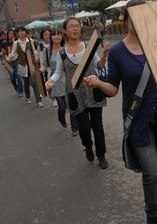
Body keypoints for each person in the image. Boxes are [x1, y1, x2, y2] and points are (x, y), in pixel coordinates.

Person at [84, 0, 157, 224]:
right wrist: (98, 83)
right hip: (137, 119)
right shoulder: (118, 52)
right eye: (134, 16)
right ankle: (152, 215)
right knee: (152, 172)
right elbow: (113, 88)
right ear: (126, 20)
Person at [45, 17, 109, 169]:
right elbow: (59, 72)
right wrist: (51, 81)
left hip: (92, 91)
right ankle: (87, 146)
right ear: (65, 31)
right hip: (75, 94)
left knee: (97, 126)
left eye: (77, 26)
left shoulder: (88, 47)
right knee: (84, 128)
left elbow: (99, 65)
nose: (75, 29)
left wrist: (105, 55)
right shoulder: (62, 53)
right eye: (71, 26)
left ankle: (101, 155)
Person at [40, 28, 79, 136]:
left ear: (62, 36)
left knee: (71, 104)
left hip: (67, 78)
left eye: (59, 35)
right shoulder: (46, 51)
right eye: (54, 35)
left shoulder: (66, 49)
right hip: (54, 80)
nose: (56, 37)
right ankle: (61, 118)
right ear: (51, 37)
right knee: (62, 106)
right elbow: (44, 65)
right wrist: (39, 71)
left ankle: (75, 127)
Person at [6, 26, 44, 107]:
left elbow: (34, 51)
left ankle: (39, 100)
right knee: (26, 83)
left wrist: (37, 58)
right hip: (22, 65)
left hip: (31, 65)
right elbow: (14, 53)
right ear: (17, 33)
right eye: (19, 31)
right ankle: (28, 96)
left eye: (22, 31)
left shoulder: (30, 41)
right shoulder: (16, 43)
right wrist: (9, 57)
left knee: (34, 83)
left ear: (25, 32)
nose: (21, 33)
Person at [0, 29, 24, 96]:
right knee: (12, 78)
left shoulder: (17, 42)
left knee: (18, 77)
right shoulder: (5, 43)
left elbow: (19, 51)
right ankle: (16, 88)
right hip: (7, 62)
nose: (11, 35)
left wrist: (14, 41)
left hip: (16, 61)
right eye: (10, 34)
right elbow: (2, 52)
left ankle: (21, 91)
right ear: (7, 34)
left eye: (12, 34)